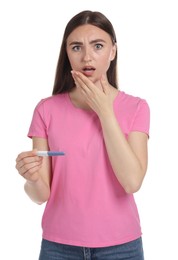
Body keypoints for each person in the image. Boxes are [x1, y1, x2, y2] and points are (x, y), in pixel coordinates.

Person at [15, 10, 150, 260]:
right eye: (76, 47)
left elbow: (132, 182)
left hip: (121, 246)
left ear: (112, 51)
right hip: (59, 246)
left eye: (98, 46)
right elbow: (40, 196)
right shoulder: (46, 109)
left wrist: (105, 113)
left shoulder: (137, 108)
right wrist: (32, 177)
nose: (87, 56)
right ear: (67, 54)